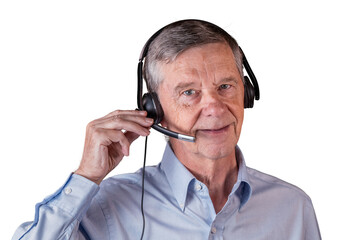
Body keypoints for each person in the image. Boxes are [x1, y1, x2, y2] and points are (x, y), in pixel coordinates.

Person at [12, 19, 321, 240]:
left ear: (247, 94)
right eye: (189, 92)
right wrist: (86, 177)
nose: (214, 107)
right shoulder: (109, 208)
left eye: (226, 86)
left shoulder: (293, 207)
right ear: (153, 110)